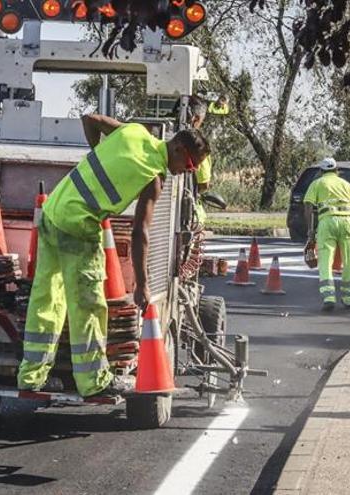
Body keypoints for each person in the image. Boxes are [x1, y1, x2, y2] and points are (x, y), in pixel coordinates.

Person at [18, 113, 211, 398]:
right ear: (179, 149)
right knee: (89, 306)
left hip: (51, 213)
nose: (186, 172)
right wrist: (143, 285)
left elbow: (90, 119)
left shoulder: (133, 132)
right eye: (190, 165)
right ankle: (93, 381)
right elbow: (140, 233)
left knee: (47, 298)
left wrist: (98, 154)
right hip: (79, 226)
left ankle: (31, 377)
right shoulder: (153, 177)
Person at [303, 158, 350, 311]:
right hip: (348, 221)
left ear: (321, 171)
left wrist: (310, 230)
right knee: (348, 260)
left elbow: (308, 206)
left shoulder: (318, 183)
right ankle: (348, 298)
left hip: (327, 221)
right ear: (336, 170)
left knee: (325, 260)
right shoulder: (347, 185)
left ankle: (329, 297)